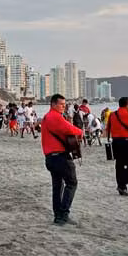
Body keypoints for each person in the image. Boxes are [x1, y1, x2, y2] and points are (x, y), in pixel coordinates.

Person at [41, 94, 84, 225]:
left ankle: (58, 215)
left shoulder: (46, 117)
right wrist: (81, 132)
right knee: (72, 183)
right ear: (53, 104)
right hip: (60, 157)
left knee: (57, 187)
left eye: (64, 105)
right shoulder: (54, 116)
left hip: (50, 157)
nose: (63, 107)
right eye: (61, 104)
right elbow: (70, 129)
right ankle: (64, 214)